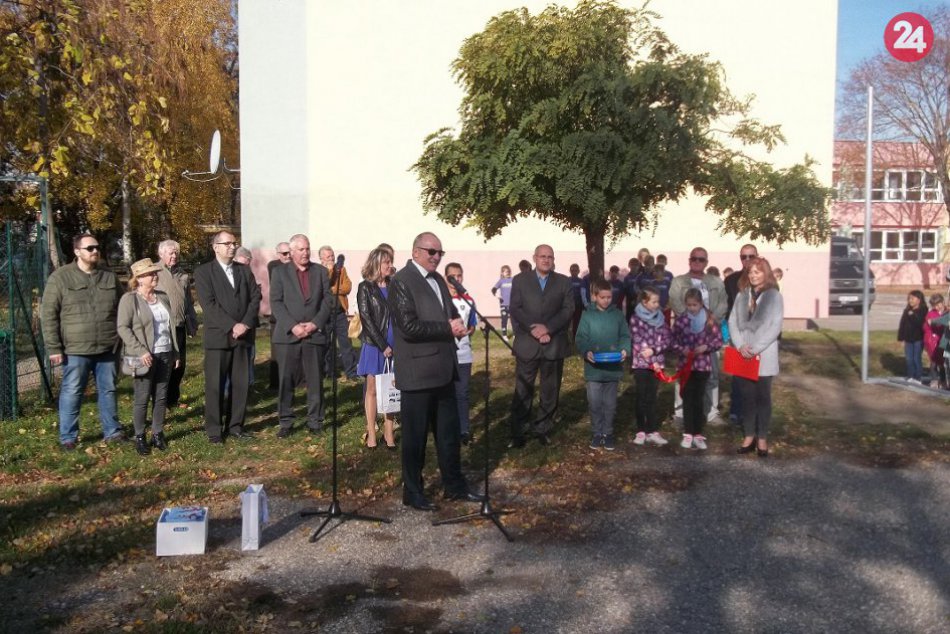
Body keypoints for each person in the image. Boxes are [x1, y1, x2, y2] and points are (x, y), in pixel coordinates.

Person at [388, 232, 482, 511]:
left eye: (440, 252)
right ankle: (413, 491)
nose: (436, 257)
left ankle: (454, 486)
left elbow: (449, 312)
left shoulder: (440, 280)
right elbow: (408, 326)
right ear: (415, 251)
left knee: (449, 435)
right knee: (415, 438)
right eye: (431, 252)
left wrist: (457, 322)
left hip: (444, 369)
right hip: (418, 373)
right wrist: (446, 328)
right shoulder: (401, 281)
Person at [41, 233, 125, 450]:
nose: (95, 251)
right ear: (77, 251)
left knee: (108, 390)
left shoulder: (108, 276)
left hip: (107, 347)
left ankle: (113, 432)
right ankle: (68, 437)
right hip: (76, 349)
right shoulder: (60, 278)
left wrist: (122, 338)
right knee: (72, 392)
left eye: (97, 247)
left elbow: (123, 307)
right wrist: (53, 347)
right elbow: (48, 315)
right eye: (90, 248)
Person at [194, 230, 262, 444]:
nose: (232, 247)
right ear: (216, 247)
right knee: (215, 385)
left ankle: (235, 426)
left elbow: (255, 297)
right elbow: (209, 304)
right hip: (219, 337)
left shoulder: (244, 270)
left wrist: (245, 324)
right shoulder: (204, 272)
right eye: (228, 244)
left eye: (234, 243)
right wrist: (232, 325)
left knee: (240, 384)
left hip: (243, 337)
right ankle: (214, 430)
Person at [507, 244, 574, 448]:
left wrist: (548, 329)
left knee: (550, 390)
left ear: (554, 260)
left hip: (553, 343)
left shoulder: (564, 281)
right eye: (542, 256)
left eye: (549, 257)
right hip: (528, 343)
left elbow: (568, 309)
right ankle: (518, 432)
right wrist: (533, 329)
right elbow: (515, 308)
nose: (546, 260)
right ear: (534, 258)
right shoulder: (520, 280)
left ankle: (543, 428)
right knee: (523, 389)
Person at [270, 234, 332, 437]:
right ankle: (286, 421)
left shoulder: (320, 271)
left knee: (315, 380)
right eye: (301, 249)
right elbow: (276, 302)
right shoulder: (280, 272)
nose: (305, 253)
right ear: (292, 251)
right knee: (286, 380)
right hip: (288, 336)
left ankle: (315, 421)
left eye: (307, 248)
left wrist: (315, 323)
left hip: (314, 335)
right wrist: (293, 326)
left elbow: (328, 301)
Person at [117, 258, 180, 455]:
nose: (155, 276)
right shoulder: (129, 299)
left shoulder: (162, 296)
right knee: (142, 398)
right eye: (150, 274)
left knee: (161, 396)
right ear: (139, 278)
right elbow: (123, 328)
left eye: (155, 272)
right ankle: (140, 436)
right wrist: (140, 351)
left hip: (165, 352)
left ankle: (157, 434)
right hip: (143, 356)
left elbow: (170, 327)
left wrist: (175, 352)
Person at [730, 257, 784, 457]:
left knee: (763, 398)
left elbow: (775, 327)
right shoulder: (742, 295)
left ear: (765, 273)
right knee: (747, 398)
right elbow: (732, 322)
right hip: (743, 354)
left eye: (757, 272)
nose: (753, 276)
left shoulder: (774, 296)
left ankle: (762, 437)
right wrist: (740, 345)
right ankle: (749, 435)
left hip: (764, 354)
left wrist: (755, 348)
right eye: (750, 272)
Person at [669, 247, 728, 425]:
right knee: (683, 374)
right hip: (686, 336)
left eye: (701, 259)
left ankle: (710, 412)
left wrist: (712, 319)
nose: (697, 262)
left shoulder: (716, 282)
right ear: (689, 260)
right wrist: (689, 319)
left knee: (712, 374)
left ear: (706, 262)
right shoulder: (679, 281)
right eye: (694, 258)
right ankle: (680, 413)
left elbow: (723, 303)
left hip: (709, 334)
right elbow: (675, 302)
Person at [575, 278, 629, 451]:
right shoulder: (587, 315)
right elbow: (580, 338)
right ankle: (597, 433)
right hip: (594, 369)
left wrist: (624, 349)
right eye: (602, 297)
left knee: (610, 404)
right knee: (595, 404)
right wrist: (586, 351)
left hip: (612, 368)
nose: (606, 300)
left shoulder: (617, 315)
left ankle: (608, 433)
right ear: (594, 296)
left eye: (609, 297)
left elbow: (625, 335)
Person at [671, 287, 723, 450]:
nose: (692, 308)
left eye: (695, 305)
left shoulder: (709, 321)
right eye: (689, 305)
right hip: (686, 366)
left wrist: (706, 347)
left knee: (698, 399)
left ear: (701, 304)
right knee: (688, 398)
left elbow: (718, 340)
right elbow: (672, 341)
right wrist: (682, 350)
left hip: (702, 366)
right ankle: (688, 432)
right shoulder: (681, 320)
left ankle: (698, 433)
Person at [356, 248, 397, 449]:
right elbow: (366, 319)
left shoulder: (394, 285)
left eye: (390, 262)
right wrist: (383, 345)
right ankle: (372, 433)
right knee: (372, 389)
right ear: (376, 264)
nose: (390, 265)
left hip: (395, 345)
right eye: (386, 262)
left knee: (391, 388)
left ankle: (389, 433)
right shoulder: (365, 287)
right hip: (375, 345)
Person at [155, 240, 198, 408]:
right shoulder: (154, 272)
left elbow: (188, 302)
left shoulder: (183, 275)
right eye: (171, 253)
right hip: (161, 327)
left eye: (176, 253)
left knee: (180, 365)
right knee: (164, 365)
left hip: (179, 326)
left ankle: (172, 399)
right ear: (161, 254)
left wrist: (192, 322)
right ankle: (160, 400)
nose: (174, 256)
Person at [630, 286, 671, 446]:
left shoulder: (661, 318)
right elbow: (638, 341)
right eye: (654, 302)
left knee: (652, 398)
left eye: (657, 302)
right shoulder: (635, 319)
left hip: (657, 364)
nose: (657, 305)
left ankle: (652, 430)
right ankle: (641, 430)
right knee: (641, 397)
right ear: (644, 302)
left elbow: (667, 340)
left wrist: (655, 351)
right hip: (641, 364)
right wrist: (652, 360)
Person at [446, 262, 478, 445]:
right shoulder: (440, 299)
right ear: (446, 278)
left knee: (462, 393)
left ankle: (463, 429)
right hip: (445, 354)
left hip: (464, 353)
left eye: (459, 276)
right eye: (452, 276)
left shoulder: (468, 300)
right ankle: (447, 428)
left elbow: (472, 324)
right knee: (445, 394)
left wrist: (468, 331)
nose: (456, 279)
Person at [318, 245, 358, 381]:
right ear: (321, 258)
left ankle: (351, 372)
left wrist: (334, 289)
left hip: (340, 312)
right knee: (327, 344)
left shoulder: (341, 269)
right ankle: (329, 371)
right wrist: (330, 272)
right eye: (328, 256)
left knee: (346, 343)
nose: (332, 258)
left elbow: (347, 287)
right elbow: (324, 287)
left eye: (332, 255)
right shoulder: (318, 271)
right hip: (326, 313)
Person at [897, 290, 926, 385]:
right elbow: (902, 325)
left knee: (916, 358)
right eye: (909, 298)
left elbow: (920, 324)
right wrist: (901, 338)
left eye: (912, 298)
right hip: (908, 339)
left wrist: (912, 315)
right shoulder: (907, 311)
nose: (910, 300)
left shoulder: (923, 310)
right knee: (909, 359)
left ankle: (918, 377)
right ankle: (910, 376)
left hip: (918, 339)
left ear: (919, 300)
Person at [924, 294, 947, 389]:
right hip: (933, 341)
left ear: (943, 302)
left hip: (944, 341)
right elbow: (927, 326)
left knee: (943, 363)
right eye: (934, 306)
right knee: (934, 362)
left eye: (938, 304)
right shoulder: (931, 314)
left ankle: (943, 381)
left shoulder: (946, 312)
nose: (937, 307)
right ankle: (934, 380)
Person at [491, 264, 513, 340]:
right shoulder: (501, 281)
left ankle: (515, 334)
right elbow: (493, 290)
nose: (507, 273)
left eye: (508, 271)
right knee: (504, 320)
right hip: (503, 305)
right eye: (505, 271)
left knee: (514, 320)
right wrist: (497, 296)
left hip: (512, 304)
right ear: (502, 273)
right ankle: (504, 335)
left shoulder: (512, 280)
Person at [568, 263, 587, 339]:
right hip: (568, 305)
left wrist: (584, 304)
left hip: (578, 305)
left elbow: (583, 294)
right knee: (566, 323)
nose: (574, 272)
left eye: (575, 270)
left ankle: (575, 339)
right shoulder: (567, 280)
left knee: (577, 323)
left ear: (578, 271)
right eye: (572, 270)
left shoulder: (581, 281)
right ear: (570, 271)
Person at [623, 258, 642, 322]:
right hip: (630, 301)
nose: (634, 267)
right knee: (629, 318)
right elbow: (625, 290)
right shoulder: (627, 278)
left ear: (638, 266)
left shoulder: (641, 276)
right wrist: (631, 300)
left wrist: (636, 299)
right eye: (632, 265)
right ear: (629, 265)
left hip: (639, 301)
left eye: (636, 265)